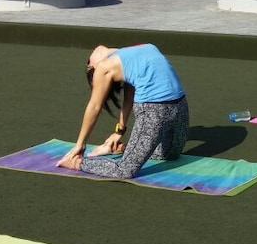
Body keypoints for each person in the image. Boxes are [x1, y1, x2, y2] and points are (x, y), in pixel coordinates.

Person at [56, 43, 190, 179]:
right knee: (125, 170)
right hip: (155, 110)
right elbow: (99, 105)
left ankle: (122, 148)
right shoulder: (108, 65)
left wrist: (118, 132)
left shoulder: (126, 57)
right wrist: (80, 145)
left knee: (169, 154)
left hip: (180, 106)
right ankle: (77, 163)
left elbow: (116, 101)